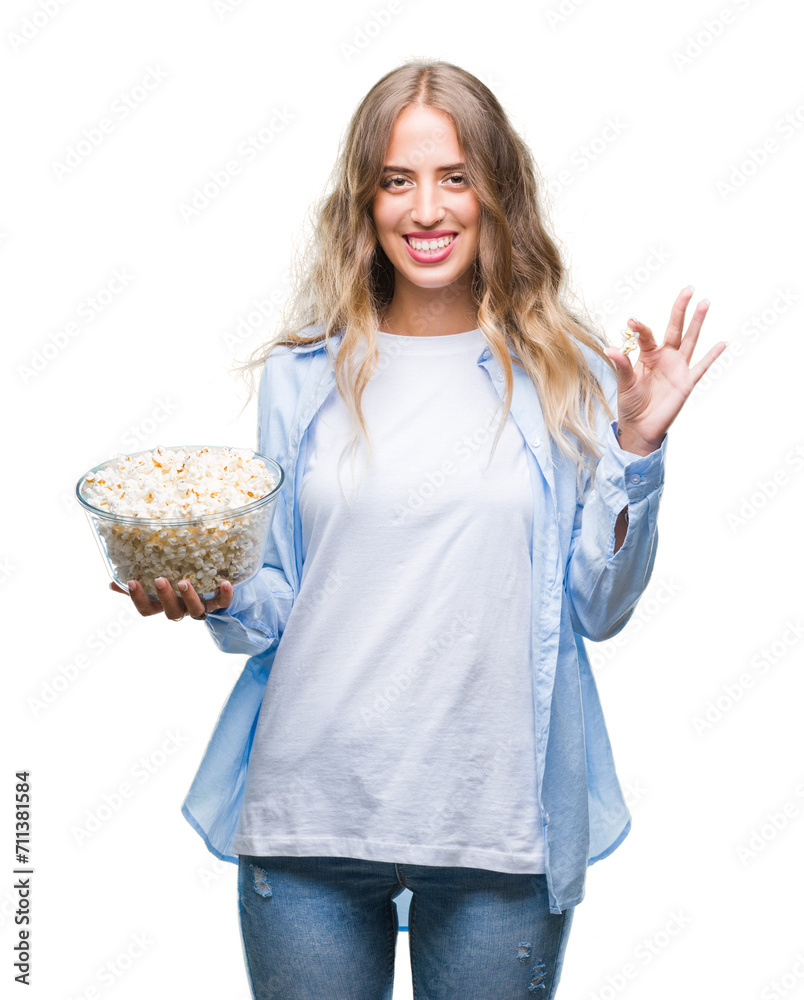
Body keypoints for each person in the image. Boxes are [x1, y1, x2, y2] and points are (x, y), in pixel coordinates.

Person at [111, 60, 726, 1000]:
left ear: (496, 194)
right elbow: (275, 601)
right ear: (365, 200)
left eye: (454, 177)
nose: (425, 209)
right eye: (397, 180)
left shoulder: (572, 377)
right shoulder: (305, 377)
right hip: (309, 818)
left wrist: (636, 449)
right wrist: (215, 590)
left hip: (497, 827)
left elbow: (600, 609)